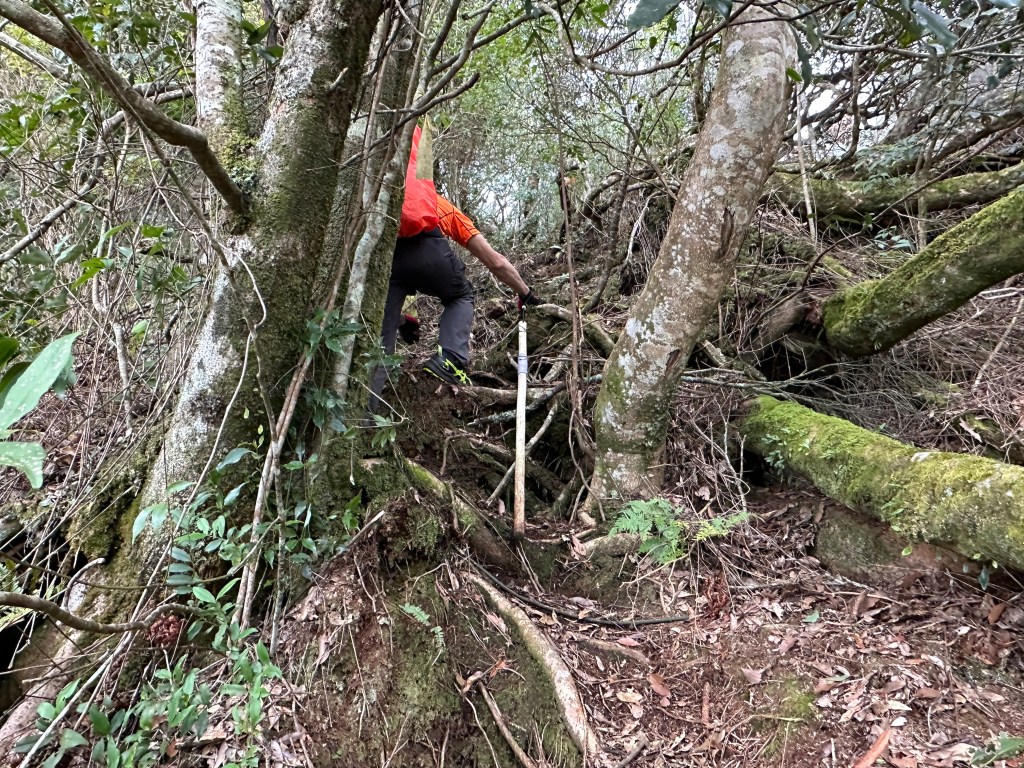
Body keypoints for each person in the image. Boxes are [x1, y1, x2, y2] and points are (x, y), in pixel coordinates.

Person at [373, 194, 542, 401]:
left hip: (388, 261)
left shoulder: (380, 201)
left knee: (380, 341)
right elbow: (496, 262)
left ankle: (368, 409)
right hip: (429, 251)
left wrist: (400, 320)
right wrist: (525, 293)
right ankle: (450, 359)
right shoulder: (436, 203)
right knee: (461, 296)